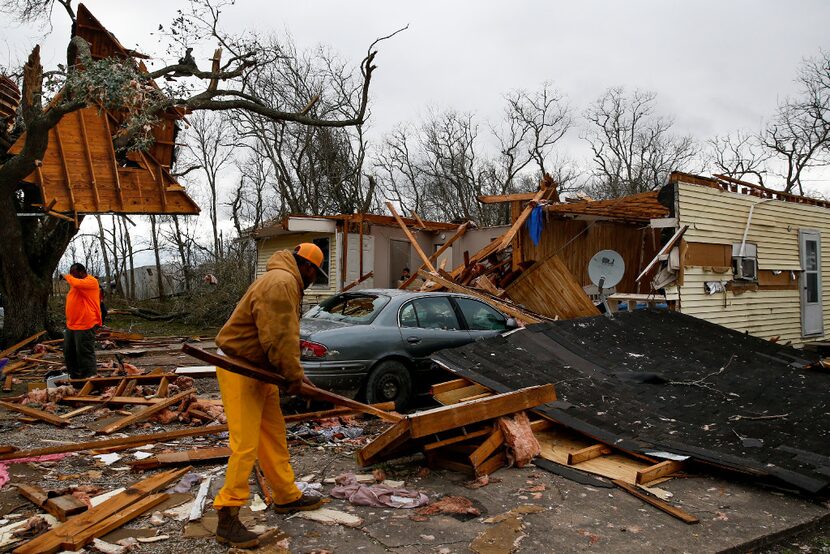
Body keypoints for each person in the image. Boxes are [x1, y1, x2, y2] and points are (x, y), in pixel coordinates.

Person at [212, 243, 326, 548]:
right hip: (239, 365)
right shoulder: (282, 282)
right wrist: (293, 378)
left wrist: (298, 376)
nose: (314, 279)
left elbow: (280, 337)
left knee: (273, 434)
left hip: (257, 368)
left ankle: (287, 495)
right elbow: (279, 337)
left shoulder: (283, 279)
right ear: (309, 268)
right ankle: (227, 516)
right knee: (246, 444)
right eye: (316, 273)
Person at [63, 263, 101, 379]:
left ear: (81, 272)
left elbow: (75, 282)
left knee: (84, 352)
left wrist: (66, 276)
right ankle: (75, 377)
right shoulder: (76, 284)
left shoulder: (91, 281)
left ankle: (90, 379)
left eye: (73, 273)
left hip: (85, 324)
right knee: (69, 352)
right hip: (72, 325)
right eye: (71, 274)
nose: (72, 276)